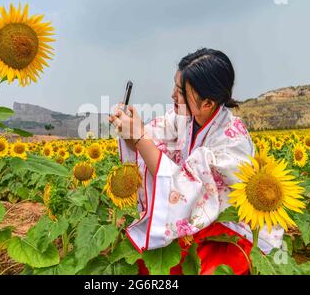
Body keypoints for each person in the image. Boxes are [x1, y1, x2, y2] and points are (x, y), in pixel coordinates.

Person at [109, 48, 283, 275]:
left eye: (181, 92)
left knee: (202, 269)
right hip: (192, 222)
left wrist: (141, 139)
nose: (173, 95)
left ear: (208, 103)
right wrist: (131, 131)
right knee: (145, 263)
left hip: (227, 228)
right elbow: (148, 142)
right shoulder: (183, 118)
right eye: (175, 86)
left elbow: (189, 190)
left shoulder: (232, 141)